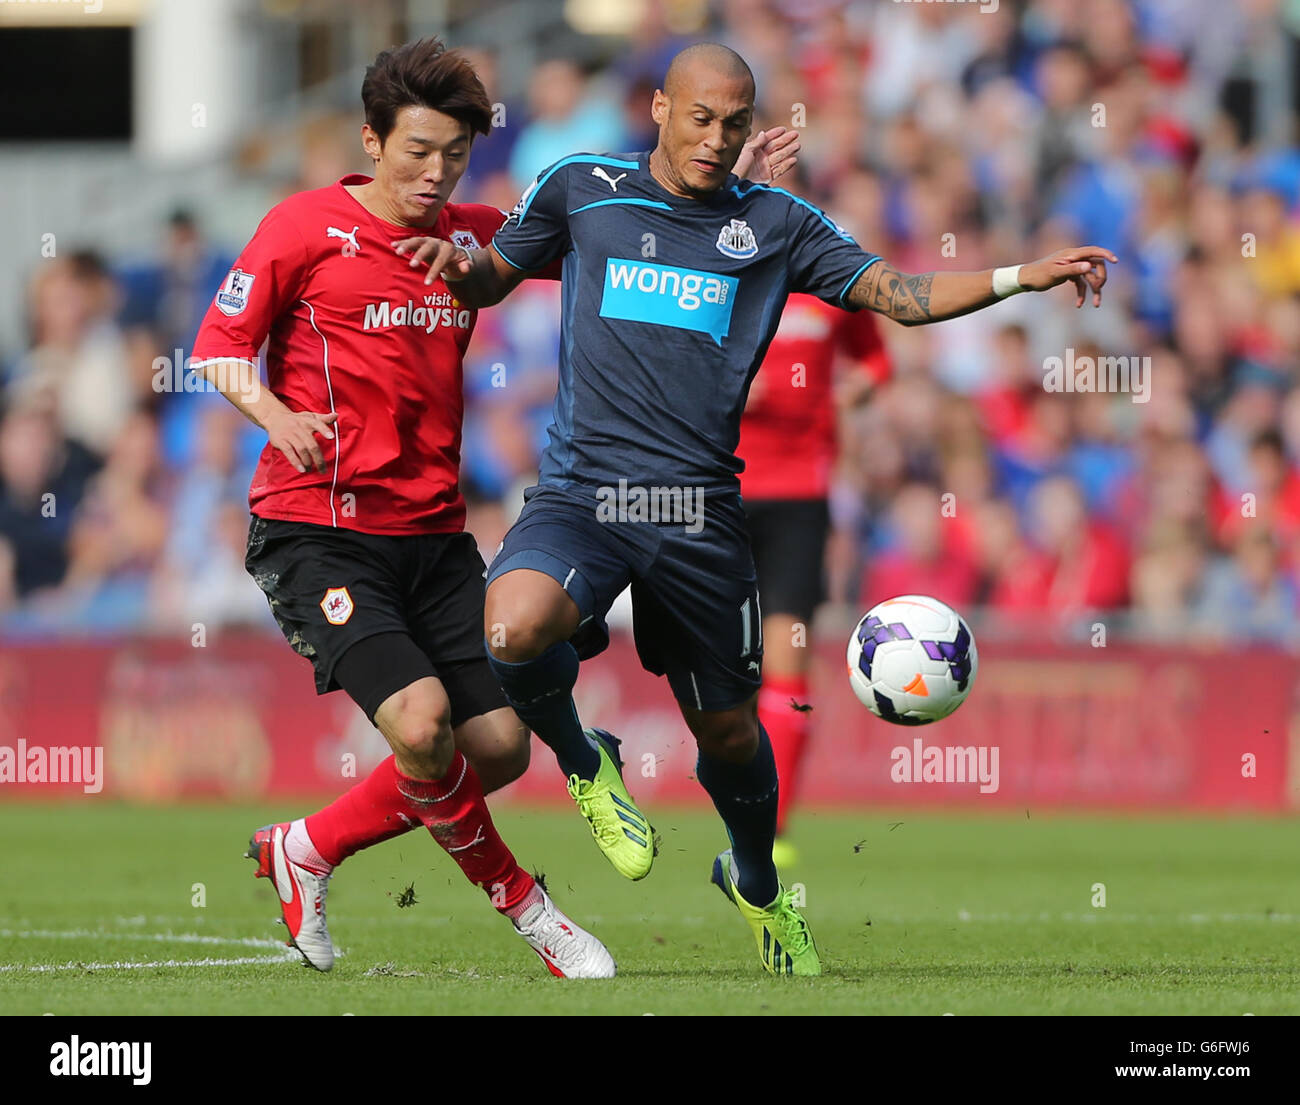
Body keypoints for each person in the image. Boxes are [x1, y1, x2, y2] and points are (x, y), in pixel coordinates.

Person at [398, 41, 1114, 977]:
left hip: (700, 515)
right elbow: (495, 272)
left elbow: (900, 295)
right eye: (700, 117)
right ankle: (584, 758)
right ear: (659, 107)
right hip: (586, 494)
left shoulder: (774, 222)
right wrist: (455, 264)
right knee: (513, 626)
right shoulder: (582, 188)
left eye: (736, 122)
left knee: (733, 733)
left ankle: (757, 884)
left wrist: (1024, 275)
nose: (716, 138)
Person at [190, 37, 796, 979]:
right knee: (424, 725)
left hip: (434, 536)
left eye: (455, 156)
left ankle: (305, 847)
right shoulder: (301, 227)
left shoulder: (475, 232)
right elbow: (218, 346)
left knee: (501, 748)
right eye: (417, 151)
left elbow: (627, 236)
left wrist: (725, 201)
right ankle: (536, 912)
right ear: (371, 139)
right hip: (322, 526)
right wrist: (277, 412)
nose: (436, 174)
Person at [736, 284, 891, 869]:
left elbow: (875, 358)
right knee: (724, 667)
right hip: (715, 490)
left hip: (800, 497)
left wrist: (860, 387)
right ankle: (738, 801)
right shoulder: (715, 276)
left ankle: (770, 828)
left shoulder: (830, 289)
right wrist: (723, 388)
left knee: (786, 662)